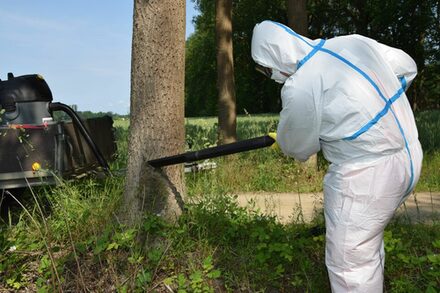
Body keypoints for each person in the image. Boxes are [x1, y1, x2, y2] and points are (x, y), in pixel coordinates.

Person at [251, 20, 423, 292]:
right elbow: (406, 66)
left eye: (266, 68)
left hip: (367, 175)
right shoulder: (352, 42)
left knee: (350, 265)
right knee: (367, 246)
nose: (271, 74)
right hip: (410, 156)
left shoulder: (301, 84)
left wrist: (284, 140)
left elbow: (297, 146)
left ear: (275, 56)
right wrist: (377, 108)